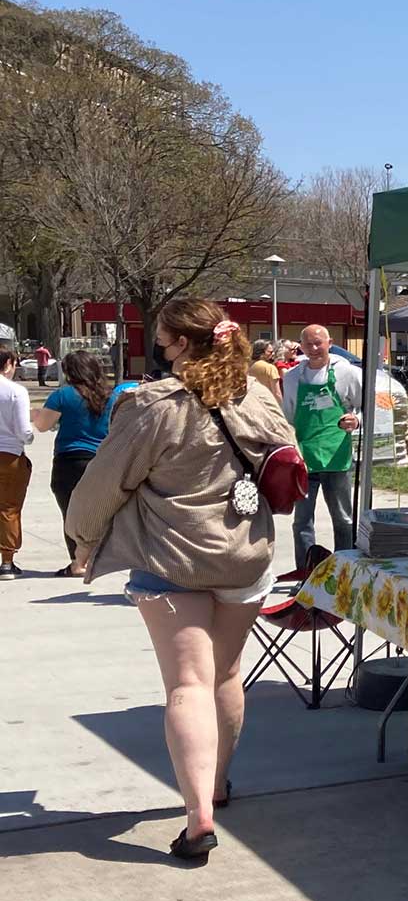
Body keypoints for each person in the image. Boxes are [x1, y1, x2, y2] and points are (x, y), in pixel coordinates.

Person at [65, 299, 297, 862]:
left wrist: (82, 538)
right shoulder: (257, 397)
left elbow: (106, 481)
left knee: (186, 685)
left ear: (178, 345)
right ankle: (217, 784)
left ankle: (198, 818)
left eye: (162, 342)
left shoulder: (153, 405)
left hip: (171, 556)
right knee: (226, 673)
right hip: (245, 554)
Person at [282, 325, 364, 569]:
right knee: (302, 521)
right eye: (309, 344)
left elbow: (365, 406)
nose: (314, 348)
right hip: (304, 459)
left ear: (330, 343)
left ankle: (345, 570)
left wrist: (356, 420)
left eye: (319, 343)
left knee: (343, 519)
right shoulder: (292, 377)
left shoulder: (346, 373)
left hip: (336, 457)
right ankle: (307, 573)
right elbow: (287, 417)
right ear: (301, 346)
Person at [32, 351, 119, 575]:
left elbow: (42, 425)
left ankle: (78, 562)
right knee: (101, 512)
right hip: (102, 460)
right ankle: (102, 558)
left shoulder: (62, 396)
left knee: (70, 514)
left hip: (69, 460)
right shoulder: (110, 396)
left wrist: (35, 415)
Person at [0, 350, 30, 577]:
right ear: (8, 364)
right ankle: (7, 561)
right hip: (8, 453)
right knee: (8, 508)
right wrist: (30, 436)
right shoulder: (15, 391)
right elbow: (23, 429)